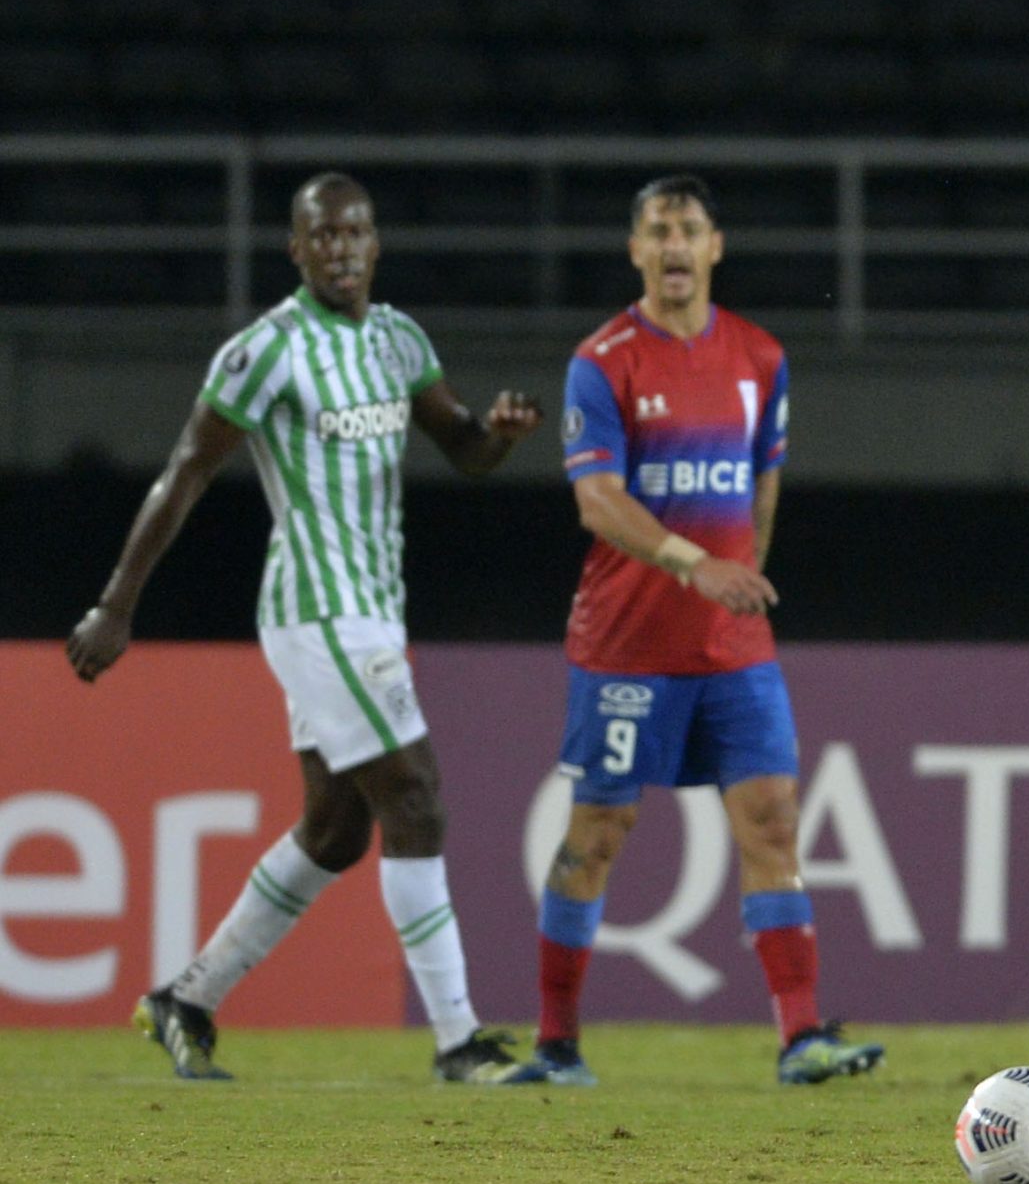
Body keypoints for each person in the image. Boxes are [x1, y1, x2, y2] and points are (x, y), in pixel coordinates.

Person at [68, 172, 543, 1084]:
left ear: (376, 243)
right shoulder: (266, 351)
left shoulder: (401, 340)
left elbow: (466, 448)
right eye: (321, 235)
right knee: (416, 796)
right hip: (315, 609)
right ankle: (458, 1041)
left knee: (335, 831)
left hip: (374, 607)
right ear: (295, 249)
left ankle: (188, 998)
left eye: (354, 232)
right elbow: (185, 472)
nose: (340, 248)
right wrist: (117, 601)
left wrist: (504, 433)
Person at [524, 174, 882, 1087]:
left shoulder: (761, 357)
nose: (674, 244)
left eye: (689, 229)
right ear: (636, 250)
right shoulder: (602, 362)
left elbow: (764, 481)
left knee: (772, 819)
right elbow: (598, 502)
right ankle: (556, 1043)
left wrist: (741, 575)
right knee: (598, 831)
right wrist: (696, 565)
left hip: (732, 649)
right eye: (657, 230)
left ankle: (801, 1037)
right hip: (626, 645)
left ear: (715, 246)